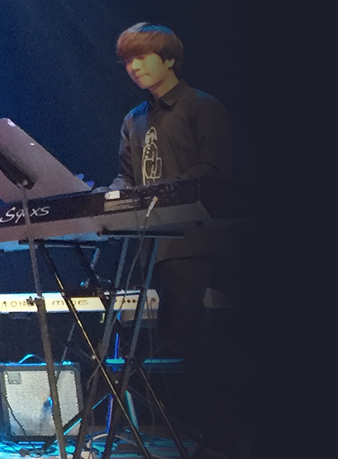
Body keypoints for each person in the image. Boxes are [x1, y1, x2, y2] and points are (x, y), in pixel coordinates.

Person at [109, 23, 238, 458]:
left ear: (168, 59)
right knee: (180, 333)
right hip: (157, 242)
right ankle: (217, 436)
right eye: (127, 60)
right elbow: (127, 178)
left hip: (196, 236)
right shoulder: (134, 119)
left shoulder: (202, 106)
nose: (133, 66)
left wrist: (162, 195)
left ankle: (235, 412)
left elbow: (214, 172)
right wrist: (109, 199)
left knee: (183, 329)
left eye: (142, 56)